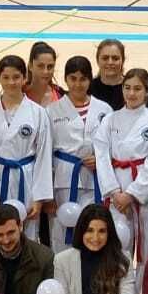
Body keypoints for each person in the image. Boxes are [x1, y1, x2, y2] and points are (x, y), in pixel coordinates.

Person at [0, 56, 54, 253]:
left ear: (25, 78)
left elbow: (43, 157)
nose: (11, 82)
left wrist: (39, 198)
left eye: (16, 77)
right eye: (6, 77)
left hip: (27, 181)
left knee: (27, 236)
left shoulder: (38, 113)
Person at [96, 68, 148, 267]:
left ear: (146, 92)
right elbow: (101, 156)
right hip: (116, 190)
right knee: (119, 242)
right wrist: (114, 192)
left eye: (137, 88)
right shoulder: (110, 119)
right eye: (127, 88)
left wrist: (132, 194)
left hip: (143, 190)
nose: (131, 93)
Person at [49, 56, 112, 252]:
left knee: (94, 233)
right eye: (73, 78)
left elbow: (112, 148)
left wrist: (101, 160)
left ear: (90, 80)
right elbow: (45, 154)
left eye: (83, 78)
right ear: (66, 79)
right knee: (63, 234)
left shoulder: (104, 109)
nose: (78, 84)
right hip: (64, 180)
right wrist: (46, 193)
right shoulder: (51, 111)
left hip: (96, 181)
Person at [91, 38, 129, 110]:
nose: (110, 62)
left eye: (115, 58)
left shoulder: (132, 89)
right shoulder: (89, 89)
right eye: (105, 58)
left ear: (123, 60)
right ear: (97, 60)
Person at [24, 41, 64, 107]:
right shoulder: (19, 93)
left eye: (50, 66)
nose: (46, 71)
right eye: (40, 66)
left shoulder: (60, 95)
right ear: (30, 66)